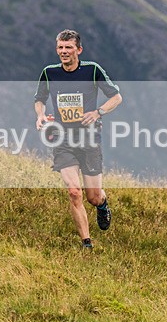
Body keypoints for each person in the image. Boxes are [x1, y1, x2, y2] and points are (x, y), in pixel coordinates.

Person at [34, 29, 122, 250]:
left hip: (89, 139)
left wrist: (98, 112)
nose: (64, 51)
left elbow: (116, 97)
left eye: (68, 47)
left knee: (93, 197)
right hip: (62, 139)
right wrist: (41, 115)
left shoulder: (92, 70)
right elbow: (40, 99)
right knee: (74, 192)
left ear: (79, 50)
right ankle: (86, 243)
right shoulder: (49, 73)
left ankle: (102, 205)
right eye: (60, 47)